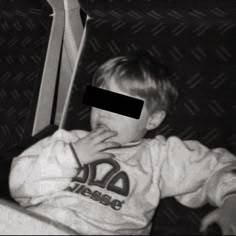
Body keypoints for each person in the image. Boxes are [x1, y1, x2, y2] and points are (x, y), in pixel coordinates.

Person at [9, 51, 236, 235]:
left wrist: (232, 201)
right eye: (100, 100)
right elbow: (19, 187)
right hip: (39, 224)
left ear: (153, 119)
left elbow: (217, 166)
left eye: (121, 106)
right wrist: (71, 158)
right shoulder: (66, 141)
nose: (103, 114)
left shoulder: (159, 156)